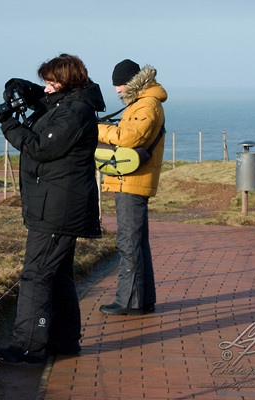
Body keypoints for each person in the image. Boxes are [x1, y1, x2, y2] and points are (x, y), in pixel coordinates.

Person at [0, 53, 105, 365]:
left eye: (51, 82)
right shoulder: (65, 101)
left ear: (66, 83)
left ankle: (29, 346)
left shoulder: (73, 111)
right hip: (57, 204)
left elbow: (42, 147)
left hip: (57, 208)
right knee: (58, 275)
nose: (46, 88)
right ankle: (64, 340)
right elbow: (36, 95)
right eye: (45, 82)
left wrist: (7, 123)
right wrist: (14, 88)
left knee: (37, 274)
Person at [98, 59, 167, 316]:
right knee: (138, 242)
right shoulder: (143, 103)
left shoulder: (146, 105)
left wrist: (98, 130)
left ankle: (128, 300)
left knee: (128, 241)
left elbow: (129, 137)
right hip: (133, 179)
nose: (116, 90)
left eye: (120, 84)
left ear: (133, 82)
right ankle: (143, 299)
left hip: (132, 181)